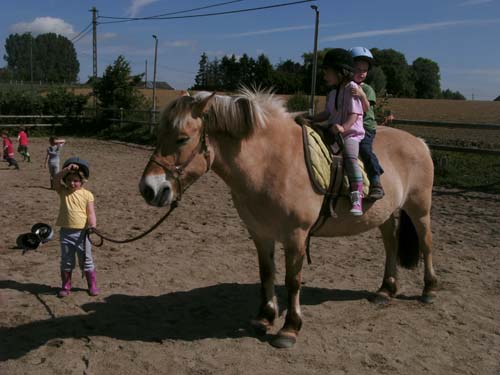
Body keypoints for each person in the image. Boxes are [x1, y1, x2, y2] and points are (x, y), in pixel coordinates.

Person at [309, 48, 365, 216]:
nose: (325, 75)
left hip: (350, 133)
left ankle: (357, 196)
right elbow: (327, 114)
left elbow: (354, 114)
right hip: (333, 130)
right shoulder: (332, 93)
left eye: (328, 71)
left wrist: (343, 128)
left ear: (341, 72)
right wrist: (311, 118)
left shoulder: (352, 88)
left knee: (350, 157)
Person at [54, 157, 99, 297]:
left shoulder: (87, 195)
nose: (72, 183)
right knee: (66, 261)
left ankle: (92, 285)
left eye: (76, 180)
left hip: (82, 234)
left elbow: (90, 213)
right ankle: (66, 286)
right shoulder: (63, 191)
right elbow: (55, 180)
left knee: (86, 260)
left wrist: (92, 226)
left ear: (82, 181)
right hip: (66, 233)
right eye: (69, 180)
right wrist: (65, 170)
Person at [349, 46, 385, 200]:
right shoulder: (345, 87)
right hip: (348, 125)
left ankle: (376, 181)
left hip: (365, 127)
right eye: (357, 69)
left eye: (364, 70)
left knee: (365, 149)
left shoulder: (367, 89)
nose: (361, 72)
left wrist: (361, 94)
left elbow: (366, 107)